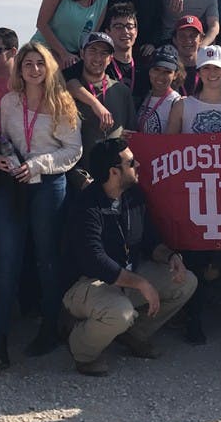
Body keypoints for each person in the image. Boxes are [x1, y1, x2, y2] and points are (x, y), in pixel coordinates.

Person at [62, 138, 196, 376]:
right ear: (114, 172)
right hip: (88, 283)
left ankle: (132, 334)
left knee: (186, 282)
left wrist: (170, 257)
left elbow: (149, 241)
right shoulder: (86, 205)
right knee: (120, 312)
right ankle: (82, 349)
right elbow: (95, 261)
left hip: (128, 275)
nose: (139, 165)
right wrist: (141, 283)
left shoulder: (133, 195)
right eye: (132, 163)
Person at [0, 42, 82, 367]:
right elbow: (3, 137)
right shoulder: (9, 102)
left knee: (47, 259)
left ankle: (49, 328)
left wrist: (40, 163)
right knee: (6, 260)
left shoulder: (63, 102)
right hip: (14, 183)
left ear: (49, 68)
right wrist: (3, 157)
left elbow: (73, 151)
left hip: (48, 184)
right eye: (27, 63)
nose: (34, 69)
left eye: (40, 63)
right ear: (20, 69)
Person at [166, 45, 221, 344]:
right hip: (195, 192)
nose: (212, 74)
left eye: (217, 68)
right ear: (198, 72)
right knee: (196, 255)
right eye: (206, 69)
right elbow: (168, 149)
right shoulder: (183, 106)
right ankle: (194, 316)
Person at [68, 31, 136, 179]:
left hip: (116, 180)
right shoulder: (67, 93)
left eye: (104, 53)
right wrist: (77, 177)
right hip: (80, 179)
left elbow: (133, 136)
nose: (98, 58)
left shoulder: (122, 91)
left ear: (111, 58)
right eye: (92, 51)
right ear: (82, 54)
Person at [64, 3, 140, 125]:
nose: (125, 31)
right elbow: (69, 82)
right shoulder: (96, 63)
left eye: (129, 26)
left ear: (136, 31)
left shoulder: (144, 66)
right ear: (108, 32)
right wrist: (95, 104)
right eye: (118, 26)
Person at [135, 46, 182, 134]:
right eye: (157, 70)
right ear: (150, 71)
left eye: (167, 72)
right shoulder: (145, 96)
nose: (160, 76)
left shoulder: (177, 102)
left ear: (175, 75)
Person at [170, 15, 206, 96]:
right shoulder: (169, 71)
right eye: (182, 36)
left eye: (193, 36)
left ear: (201, 39)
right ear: (175, 39)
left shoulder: (207, 71)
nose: (188, 40)